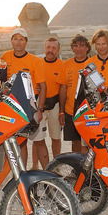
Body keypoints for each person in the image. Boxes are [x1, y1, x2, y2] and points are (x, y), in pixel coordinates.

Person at [1, 28, 46, 167]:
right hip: (12, 105)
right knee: (20, 141)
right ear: (11, 41)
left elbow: (43, 87)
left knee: (39, 141)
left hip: (31, 104)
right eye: (15, 38)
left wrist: (39, 109)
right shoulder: (5, 57)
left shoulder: (35, 61)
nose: (18, 42)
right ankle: (22, 173)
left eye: (21, 39)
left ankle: (49, 173)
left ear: (26, 42)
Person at [31, 37, 63, 169]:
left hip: (54, 104)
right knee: (37, 137)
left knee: (56, 137)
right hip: (39, 104)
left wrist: (62, 111)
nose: (51, 50)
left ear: (58, 50)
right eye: (48, 47)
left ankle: (56, 165)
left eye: (54, 48)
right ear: (45, 48)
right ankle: (34, 165)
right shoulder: (37, 63)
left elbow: (62, 89)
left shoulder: (62, 65)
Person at [58, 34, 91, 154]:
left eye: (82, 46)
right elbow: (63, 88)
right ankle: (77, 169)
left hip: (88, 110)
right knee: (75, 142)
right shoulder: (66, 65)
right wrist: (61, 111)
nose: (79, 49)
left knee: (89, 142)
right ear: (72, 48)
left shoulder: (92, 64)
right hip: (70, 110)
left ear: (87, 48)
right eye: (76, 46)